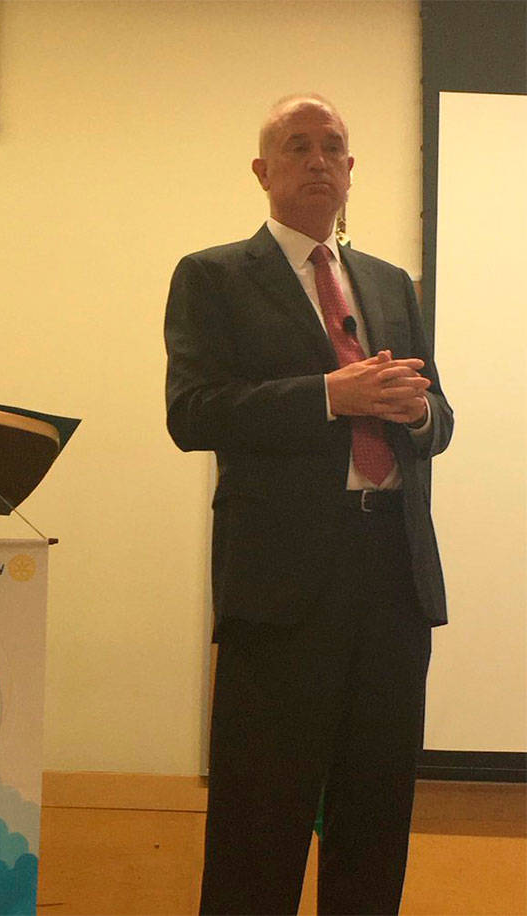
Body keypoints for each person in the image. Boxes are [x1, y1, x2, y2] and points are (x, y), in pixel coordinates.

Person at [163, 95, 452, 915]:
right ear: (264, 172)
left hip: (393, 574)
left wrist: (418, 413)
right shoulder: (214, 276)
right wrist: (330, 394)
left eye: (333, 147)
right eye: (298, 146)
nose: (318, 160)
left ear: (352, 171)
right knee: (261, 823)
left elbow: (442, 416)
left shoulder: (391, 285)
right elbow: (194, 412)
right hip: (281, 588)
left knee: (375, 816)